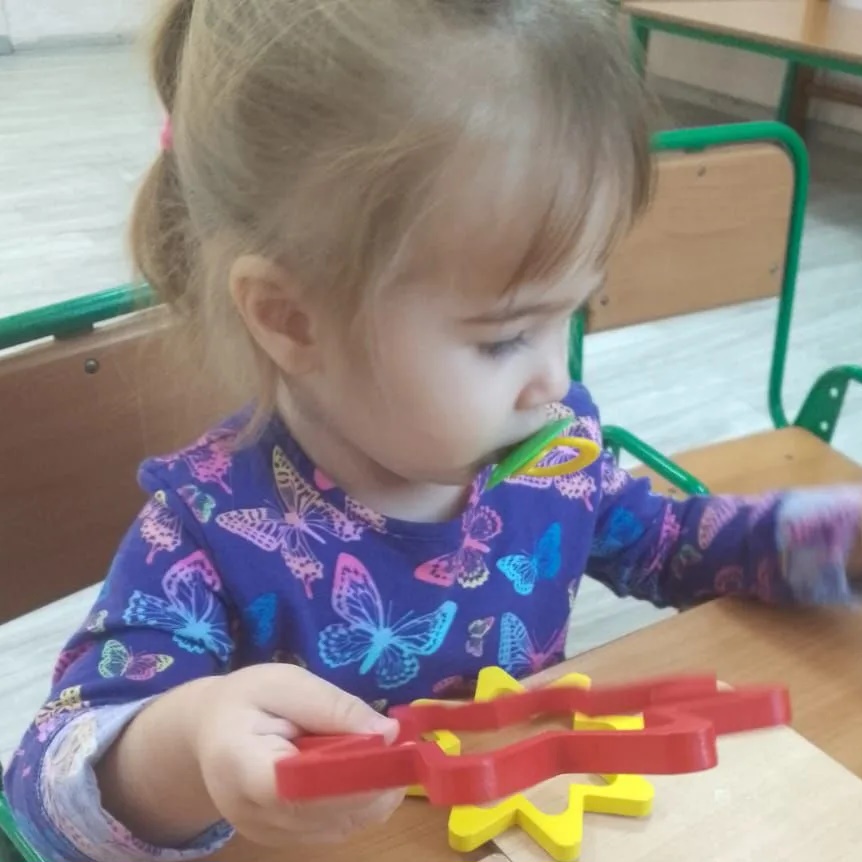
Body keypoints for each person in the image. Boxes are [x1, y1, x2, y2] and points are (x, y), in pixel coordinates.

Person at [7, 1, 861, 860]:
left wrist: (832, 540)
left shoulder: (548, 459)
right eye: (505, 336)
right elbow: (44, 791)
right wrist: (188, 750)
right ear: (293, 319)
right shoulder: (208, 534)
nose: (557, 380)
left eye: (573, 312)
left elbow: (670, 543)